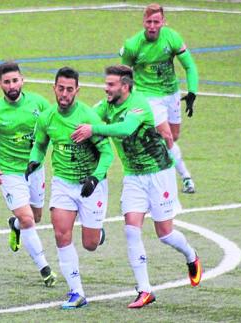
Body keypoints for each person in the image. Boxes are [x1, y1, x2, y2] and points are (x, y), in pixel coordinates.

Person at [71, 65, 202, 309]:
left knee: (165, 234)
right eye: (106, 83)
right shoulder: (106, 105)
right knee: (131, 230)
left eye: (110, 84)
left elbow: (125, 128)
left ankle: (191, 256)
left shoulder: (139, 105)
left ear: (125, 86)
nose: (105, 88)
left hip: (159, 174)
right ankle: (144, 290)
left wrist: (94, 129)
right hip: (133, 177)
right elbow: (86, 115)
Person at [26, 67, 114, 309]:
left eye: (69, 89)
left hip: (91, 183)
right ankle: (77, 293)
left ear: (77, 90)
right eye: (60, 88)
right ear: (54, 88)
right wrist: (34, 160)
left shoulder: (88, 118)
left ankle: (97, 232)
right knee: (61, 234)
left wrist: (95, 178)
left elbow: (107, 153)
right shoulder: (46, 118)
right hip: (63, 183)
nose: (64, 94)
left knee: (90, 244)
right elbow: (40, 145)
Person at [0, 61, 57, 287]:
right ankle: (45, 269)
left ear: (22, 80)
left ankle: (15, 225)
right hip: (9, 173)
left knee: (35, 217)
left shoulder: (39, 103)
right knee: (29, 219)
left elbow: (54, 126)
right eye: (7, 82)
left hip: (35, 170)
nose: (12, 85)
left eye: (15, 80)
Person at [120, 3, 199, 194]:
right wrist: (128, 99)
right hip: (148, 96)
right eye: (149, 22)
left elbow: (189, 66)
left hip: (171, 94)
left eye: (156, 21)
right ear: (143, 22)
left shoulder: (172, 37)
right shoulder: (133, 45)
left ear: (163, 21)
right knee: (167, 136)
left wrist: (192, 92)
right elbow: (123, 75)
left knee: (173, 137)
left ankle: (154, 163)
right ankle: (186, 177)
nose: (152, 26)